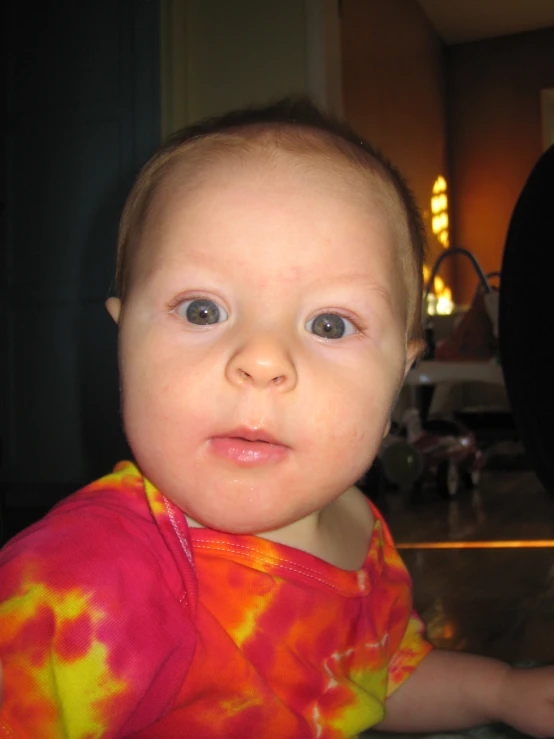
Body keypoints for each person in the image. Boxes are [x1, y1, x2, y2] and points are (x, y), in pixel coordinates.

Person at [0, 99, 553, 739]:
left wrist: (501, 690)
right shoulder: (78, 584)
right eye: (202, 311)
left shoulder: (362, 535)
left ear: (400, 372)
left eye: (329, 324)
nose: (261, 361)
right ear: (123, 340)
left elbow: (373, 683)